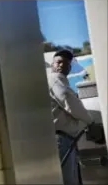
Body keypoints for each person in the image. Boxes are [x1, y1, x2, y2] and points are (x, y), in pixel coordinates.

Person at [48, 50, 93, 185]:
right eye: (59, 62)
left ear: (70, 67)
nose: (62, 66)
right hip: (61, 139)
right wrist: (90, 122)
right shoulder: (55, 78)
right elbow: (69, 101)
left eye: (66, 64)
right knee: (69, 181)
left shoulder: (59, 81)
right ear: (52, 65)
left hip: (65, 139)